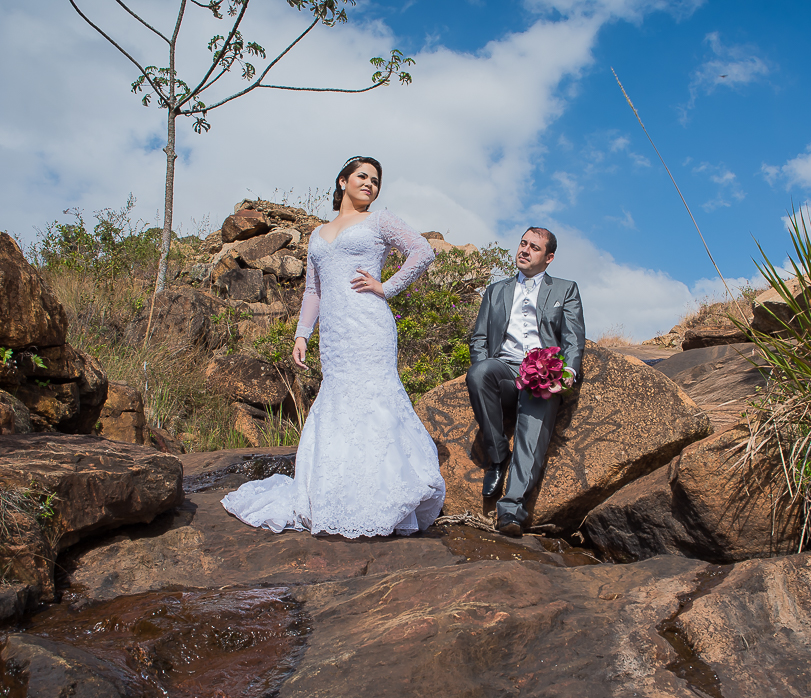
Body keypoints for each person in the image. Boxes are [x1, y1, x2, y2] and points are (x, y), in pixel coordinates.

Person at [221, 156, 446, 537]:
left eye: (376, 180)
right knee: (339, 401)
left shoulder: (380, 220)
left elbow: (422, 251)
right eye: (362, 176)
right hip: (337, 336)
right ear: (342, 181)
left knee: (374, 399)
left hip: (370, 326)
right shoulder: (318, 233)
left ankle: (385, 495)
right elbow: (314, 290)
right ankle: (336, 492)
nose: (370, 184)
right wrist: (301, 334)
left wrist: (386, 287)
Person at [466, 227, 585, 537]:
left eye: (534, 247)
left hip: (540, 373)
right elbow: (479, 337)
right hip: (503, 369)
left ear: (548, 258)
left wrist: (567, 374)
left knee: (531, 432)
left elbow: (573, 340)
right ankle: (497, 456)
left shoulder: (565, 289)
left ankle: (511, 511)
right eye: (523, 243)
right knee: (479, 373)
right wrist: (483, 364)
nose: (525, 250)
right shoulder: (496, 291)